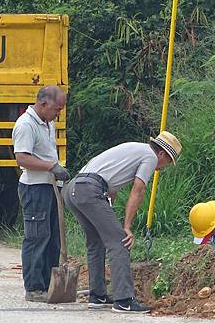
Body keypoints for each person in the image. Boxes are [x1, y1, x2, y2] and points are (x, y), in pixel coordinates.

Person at [63, 131, 181, 313]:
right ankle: (124, 300)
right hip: (89, 189)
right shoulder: (150, 156)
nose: (161, 169)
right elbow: (138, 191)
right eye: (166, 164)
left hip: (74, 188)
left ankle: (98, 296)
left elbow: (110, 186)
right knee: (120, 242)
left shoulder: (134, 149)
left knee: (96, 242)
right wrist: (126, 227)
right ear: (162, 154)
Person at [12, 85, 71, 302]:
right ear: (43, 103)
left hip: (50, 188)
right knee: (37, 237)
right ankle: (34, 287)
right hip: (34, 188)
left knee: (53, 238)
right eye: (57, 108)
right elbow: (22, 158)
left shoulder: (48, 122)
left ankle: (48, 284)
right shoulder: (26, 125)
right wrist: (50, 166)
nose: (59, 113)